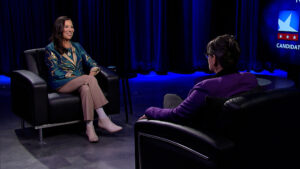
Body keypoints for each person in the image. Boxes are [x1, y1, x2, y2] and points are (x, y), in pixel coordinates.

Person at [139, 34, 259, 125]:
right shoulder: (250, 79)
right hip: (231, 131)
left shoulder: (206, 87)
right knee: (172, 97)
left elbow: (177, 115)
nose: (207, 59)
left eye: (208, 56)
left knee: (168, 98)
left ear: (214, 59)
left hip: (200, 134)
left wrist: (150, 111)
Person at [45, 16, 122, 143]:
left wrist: (92, 71)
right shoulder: (51, 48)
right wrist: (84, 78)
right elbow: (56, 72)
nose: (71, 30)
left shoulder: (77, 46)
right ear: (59, 29)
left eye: (72, 27)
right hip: (60, 83)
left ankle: (89, 127)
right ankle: (103, 118)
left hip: (81, 82)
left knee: (86, 88)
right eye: (67, 27)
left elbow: (91, 62)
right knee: (87, 80)